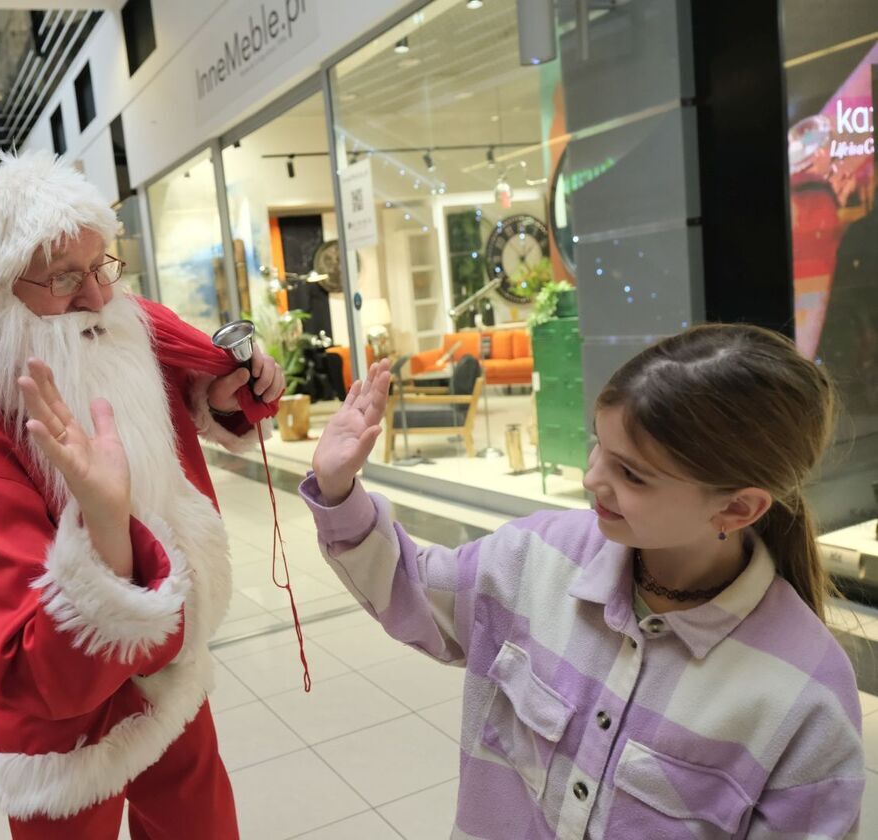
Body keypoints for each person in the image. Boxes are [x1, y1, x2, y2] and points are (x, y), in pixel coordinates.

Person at [304, 326, 865, 838]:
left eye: (631, 473)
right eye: (599, 445)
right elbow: (411, 591)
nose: (592, 476)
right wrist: (339, 490)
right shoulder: (538, 555)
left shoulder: (805, 695)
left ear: (738, 508)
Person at [0, 149, 285, 838]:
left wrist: (217, 393)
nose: (99, 297)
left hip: (170, 668)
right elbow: (34, 675)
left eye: (102, 265)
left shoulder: (102, 338)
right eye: (64, 277)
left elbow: (170, 381)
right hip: (66, 737)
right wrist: (106, 535)